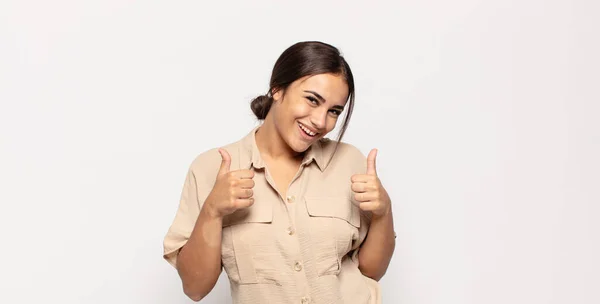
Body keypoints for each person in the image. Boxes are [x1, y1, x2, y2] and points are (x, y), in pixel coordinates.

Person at [162, 41, 395, 304]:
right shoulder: (210, 168)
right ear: (277, 89)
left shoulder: (350, 162)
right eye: (311, 100)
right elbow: (195, 288)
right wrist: (212, 211)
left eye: (334, 111)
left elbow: (371, 270)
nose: (320, 122)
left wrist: (383, 212)